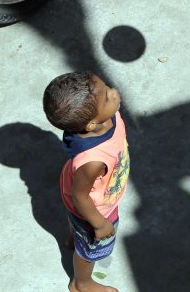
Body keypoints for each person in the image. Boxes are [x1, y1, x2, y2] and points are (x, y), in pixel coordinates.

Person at [44, 72, 131, 292]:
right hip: (94, 209)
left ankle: (75, 239)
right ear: (91, 124)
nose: (113, 93)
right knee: (91, 250)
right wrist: (100, 224)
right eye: (106, 98)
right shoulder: (93, 160)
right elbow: (80, 197)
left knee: (78, 229)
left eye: (106, 87)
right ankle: (81, 283)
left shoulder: (102, 119)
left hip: (79, 188)